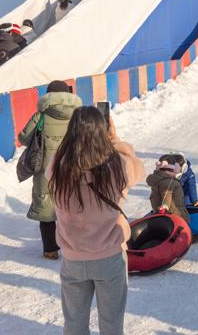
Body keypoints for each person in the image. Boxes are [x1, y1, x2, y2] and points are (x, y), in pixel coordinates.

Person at [48, 107, 145, 335]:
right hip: (109, 258)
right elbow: (138, 169)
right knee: (111, 324)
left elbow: (61, 157)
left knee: (74, 323)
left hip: (72, 258)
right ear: (102, 132)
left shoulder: (58, 168)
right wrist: (115, 140)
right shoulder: (115, 167)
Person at [18, 80, 82, 260]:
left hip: (46, 169)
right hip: (72, 169)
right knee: (71, 206)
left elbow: (23, 138)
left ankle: (50, 249)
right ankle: (73, 246)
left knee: (46, 210)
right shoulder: (78, 116)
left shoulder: (42, 115)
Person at [147, 157, 190, 222]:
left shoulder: (160, 180)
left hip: (163, 214)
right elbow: (167, 194)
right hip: (175, 214)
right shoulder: (168, 181)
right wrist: (165, 206)